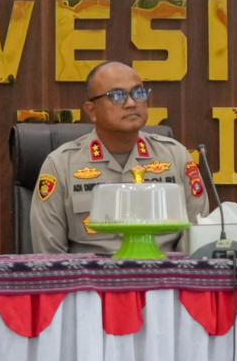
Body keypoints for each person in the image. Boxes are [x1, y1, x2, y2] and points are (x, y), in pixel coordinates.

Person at [30, 61, 210, 254]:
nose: (131, 103)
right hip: (91, 273)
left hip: (164, 270)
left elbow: (196, 235)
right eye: (117, 96)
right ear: (91, 110)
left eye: (138, 93)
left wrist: (172, 272)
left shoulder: (176, 156)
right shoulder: (61, 165)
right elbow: (49, 253)